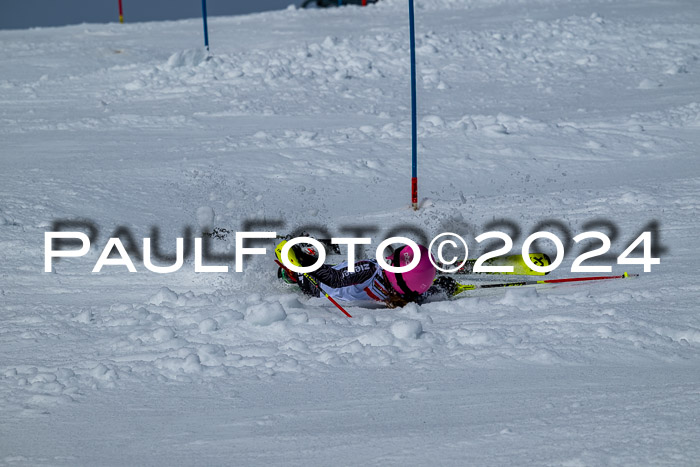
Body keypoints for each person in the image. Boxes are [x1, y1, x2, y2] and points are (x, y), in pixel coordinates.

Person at [275, 240, 458, 308]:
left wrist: (306, 261)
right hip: (336, 280)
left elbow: (334, 279)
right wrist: (444, 287)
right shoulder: (407, 295)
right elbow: (427, 292)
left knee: (306, 250)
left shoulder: (370, 271)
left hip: (316, 284)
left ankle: (289, 274)